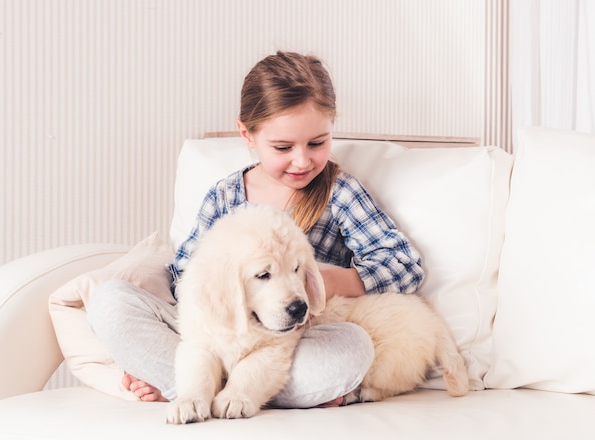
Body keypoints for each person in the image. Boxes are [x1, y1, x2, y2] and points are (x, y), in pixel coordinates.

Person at [87, 51, 424, 408]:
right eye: (282, 147)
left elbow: (405, 266)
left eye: (317, 143)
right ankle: (194, 385)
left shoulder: (340, 193)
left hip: (290, 343)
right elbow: (183, 276)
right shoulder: (224, 197)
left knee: (353, 347)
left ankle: (200, 388)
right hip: (219, 335)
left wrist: (324, 282)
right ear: (247, 134)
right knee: (109, 302)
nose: (302, 160)